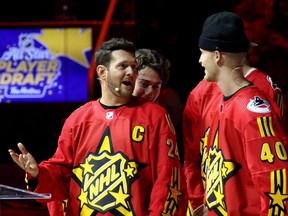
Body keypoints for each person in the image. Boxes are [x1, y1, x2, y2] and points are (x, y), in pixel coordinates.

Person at [8, 37, 188, 215]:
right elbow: (61, 174)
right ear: (102, 72)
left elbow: (167, 180)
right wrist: (38, 173)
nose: (131, 72)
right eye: (123, 66)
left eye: (133, 67)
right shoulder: (78, 119)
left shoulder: (155, 116)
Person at [183, 11, 288, 215]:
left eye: (202, 52)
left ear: (217, 56)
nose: (199, 60)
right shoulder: (227, 101)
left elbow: (275, 180)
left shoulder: (251, 109)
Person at [133, 48, 185, 163]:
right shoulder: (108, 113)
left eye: (156, 86)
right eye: (144, 84)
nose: (150, 92)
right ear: (129, 78)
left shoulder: (161, 120)